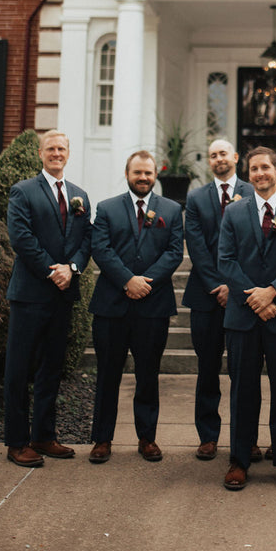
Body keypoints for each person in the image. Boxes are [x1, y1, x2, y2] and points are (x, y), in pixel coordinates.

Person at [218, 146, 276, 491]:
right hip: (243, 317)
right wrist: (256, 298)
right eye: (253, 168)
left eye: (265, 167)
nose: (259, 173)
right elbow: (225, 261)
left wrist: (272, 292)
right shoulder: (234, 212)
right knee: (243, 392)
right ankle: (239, 460)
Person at [88, 150, 183, 464]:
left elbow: (173, 253)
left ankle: (147, 438)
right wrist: (128, 280)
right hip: (111, 306)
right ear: (127, 173)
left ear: (156, 174)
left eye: (148, 173)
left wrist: (147, 282)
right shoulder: (107, 208)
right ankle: (102, 439)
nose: (143, 178)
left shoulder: (171, 208)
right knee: (108, 375)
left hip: (153, 307)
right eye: (137, 172)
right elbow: (100, 248)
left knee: (148, 374)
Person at [3, 130, 92, 467]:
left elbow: (87, 240)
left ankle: (43, 435)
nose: (56, 153)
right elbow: (20, 237)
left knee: (51, 368)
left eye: (62, 149)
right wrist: (51, 270)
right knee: (18, 369)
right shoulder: (23, 191)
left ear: (68, 154)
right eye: (51, 148)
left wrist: (72, 268)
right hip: (30, 295)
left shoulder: (80, 195)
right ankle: (16, 441)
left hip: (63, 296)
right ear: (40, 153)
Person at [183, 137, 257, 461]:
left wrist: (236, 287)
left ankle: (247, 439)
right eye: (213, 155)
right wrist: (218, 285)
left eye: (223, 153)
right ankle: (208, 436)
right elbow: (196, 247)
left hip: (244, 297)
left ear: (235, 157)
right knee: (208, 369)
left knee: (245, 373)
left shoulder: (253, 192)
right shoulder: (196, 198)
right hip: (206, 296)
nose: (218, 159)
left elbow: (256, 245)